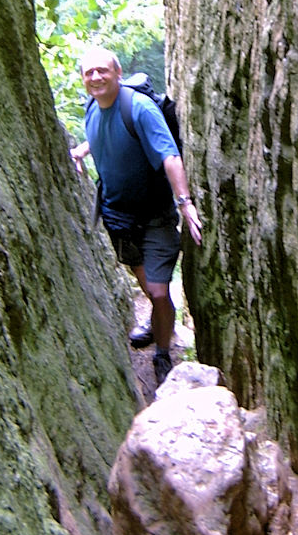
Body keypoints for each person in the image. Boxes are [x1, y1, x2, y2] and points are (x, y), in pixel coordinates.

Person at [70, 45, 202, 385]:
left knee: (158, 291)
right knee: (147, 285)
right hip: (118, 218)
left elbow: (169, 155)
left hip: (155, 217)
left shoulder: (139, 108)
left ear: (117, 73)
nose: (96, 77)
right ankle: (159, 322)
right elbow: (97, 133)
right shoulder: (92, 106)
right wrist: (82, 151)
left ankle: (162, 353)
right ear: (84, 80)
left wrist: (185, 203)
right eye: (89, 72)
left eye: (103, 70)